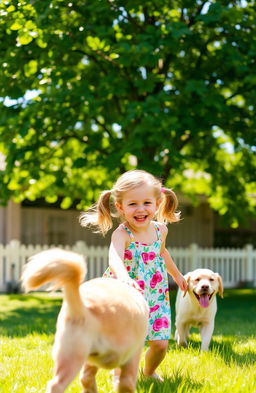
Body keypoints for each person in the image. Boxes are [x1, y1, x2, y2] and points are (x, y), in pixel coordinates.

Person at [80, 169, 187, 381]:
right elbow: (114, 258)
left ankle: (148, 373)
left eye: (147, 203)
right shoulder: (122, 234)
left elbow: (162, 252)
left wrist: (176, 275)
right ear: (120, 207)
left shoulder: (160, 231)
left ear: (157, 204)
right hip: (126, 294)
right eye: (132, 204)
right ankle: (119, 377)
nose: (140, 209)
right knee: (124, 340)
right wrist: (124, 277)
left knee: (160, 344)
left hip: (155, 294)